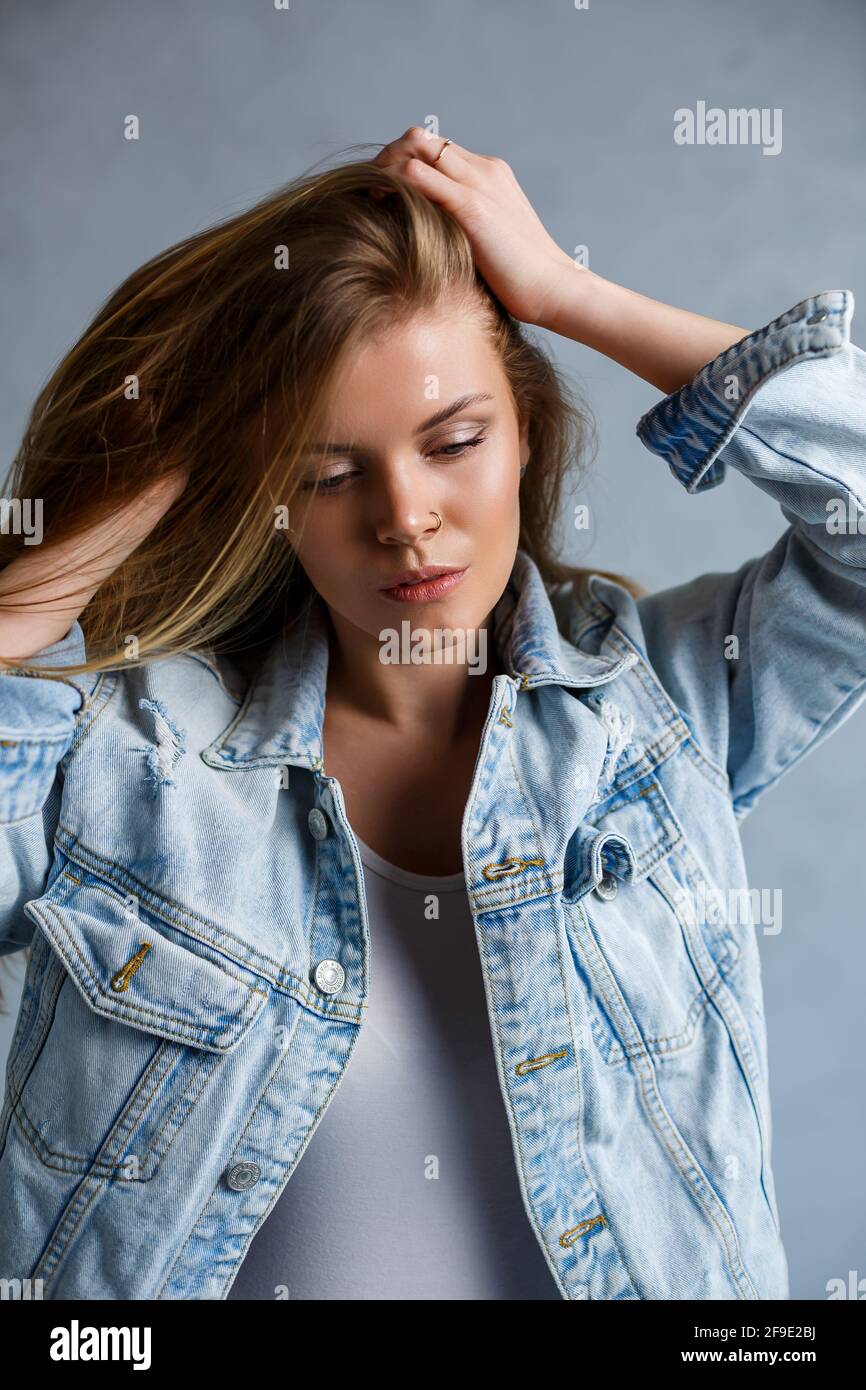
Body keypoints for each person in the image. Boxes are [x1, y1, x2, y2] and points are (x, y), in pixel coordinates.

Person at [0, 127, 862, 1301]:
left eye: (453, 440)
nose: (406, 516)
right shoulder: (123, 763)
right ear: (264, 497)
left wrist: (568, 295)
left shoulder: (667, 711)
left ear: (523, 434)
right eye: (328, 470)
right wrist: (184, 438)